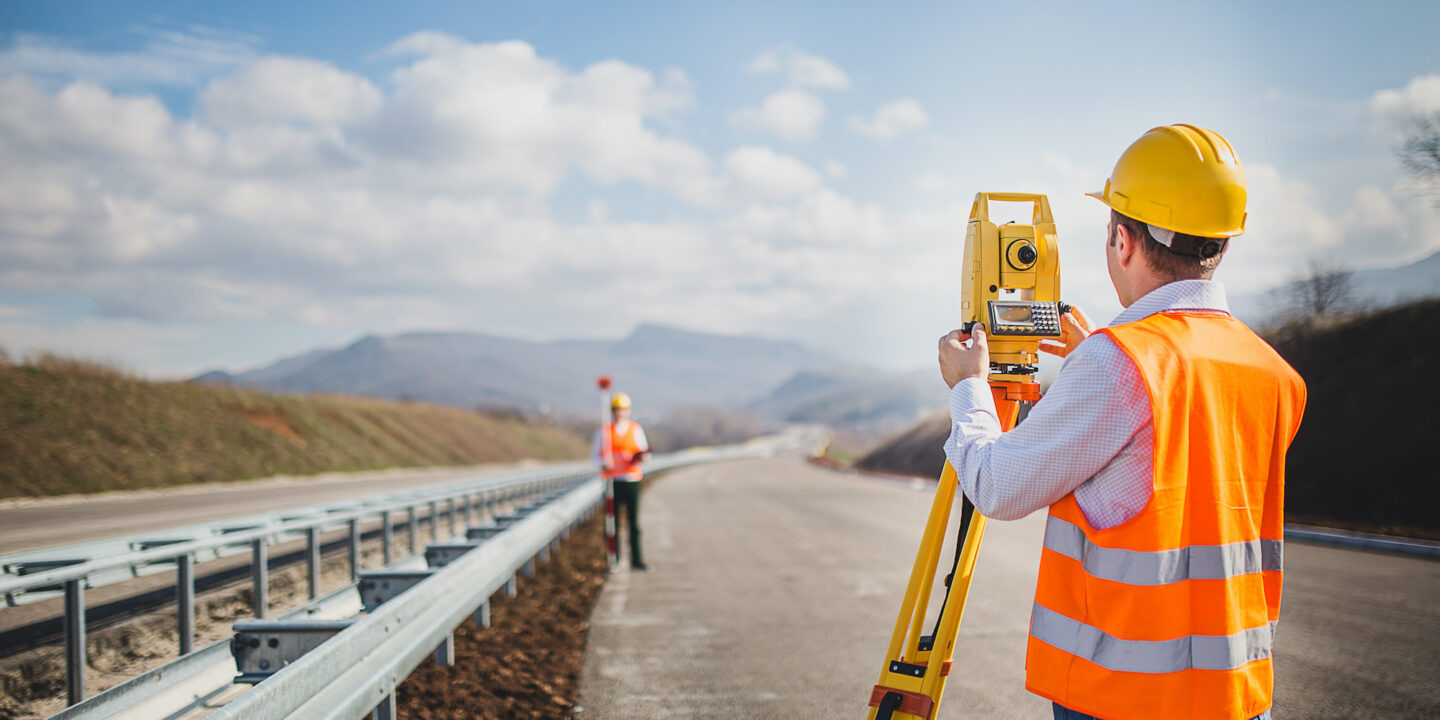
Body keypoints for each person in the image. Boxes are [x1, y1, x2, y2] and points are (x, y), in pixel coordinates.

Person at [937, 125, 1306, 720]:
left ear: (1123, 239)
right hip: (1234, 693)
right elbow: (1180, 453)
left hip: (1126, 696)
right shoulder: (1272, 372)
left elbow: (998, 487)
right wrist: (1097, 356)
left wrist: (970, 387)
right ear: (1223, 244)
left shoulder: (1119, 365)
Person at [593, 391, 651, 572]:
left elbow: (645, 453)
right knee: (613, 522)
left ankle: (637, 560)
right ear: (612, 411)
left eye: (623, 409)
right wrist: (604, 463)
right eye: (617, 409)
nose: (620, 412)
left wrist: (640, 458)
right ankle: (614, 560)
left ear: (628, 410)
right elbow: (595, 456)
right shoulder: (604, 432)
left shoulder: (635, 429)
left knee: (633, 523)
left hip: (632, 479)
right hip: (612, 481)